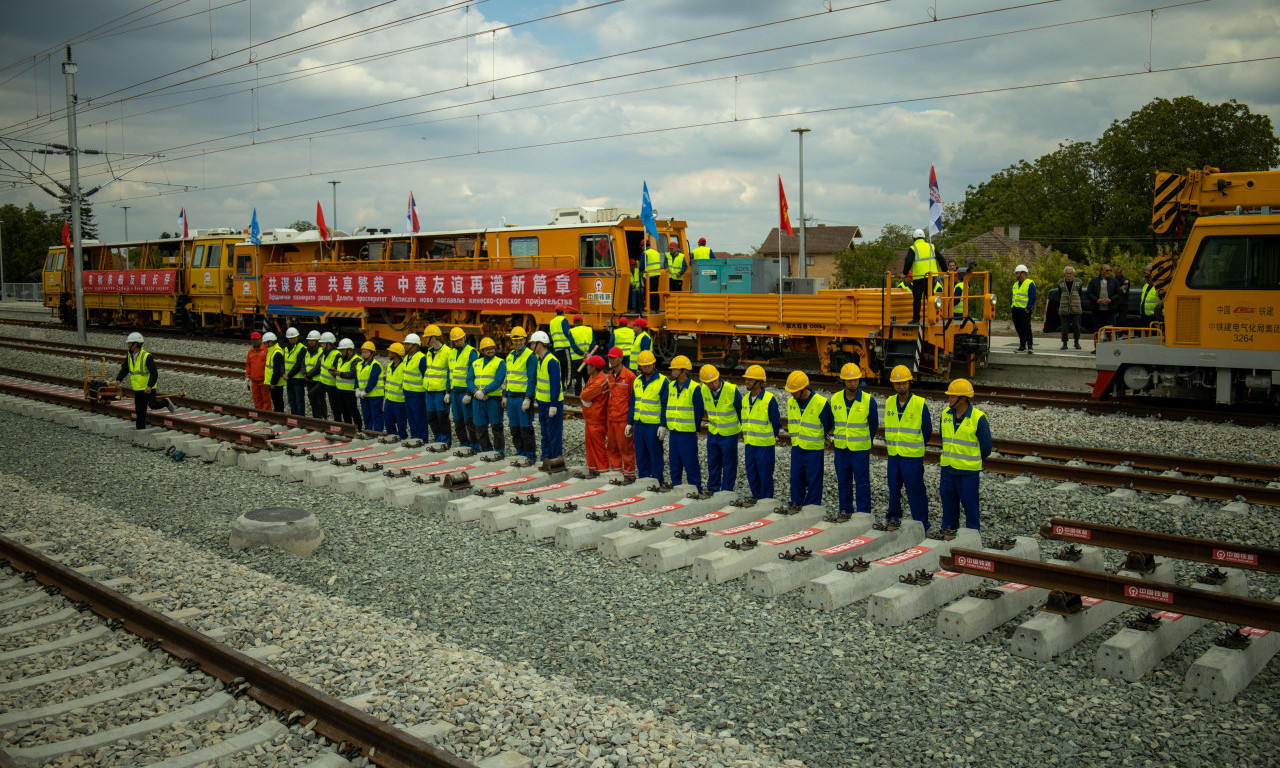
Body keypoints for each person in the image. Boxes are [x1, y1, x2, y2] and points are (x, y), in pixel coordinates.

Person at [937, 378, 991, 537]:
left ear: (963, 399)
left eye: (952, 396)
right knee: (948, 507)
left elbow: (986, 446)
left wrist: (970, 459)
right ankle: (948, 534)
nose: (949, 399)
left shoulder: (978, 418)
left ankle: (972, 539)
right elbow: (944, 439)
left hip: (968, 473)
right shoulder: (945, 415)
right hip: (948, 471)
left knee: (971, 509)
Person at [883, 365, 930, 531]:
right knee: (893, 489)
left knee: (915, 490)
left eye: (903, 383)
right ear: (893, 385)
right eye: (897, 383)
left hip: (912, 457)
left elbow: (927, 431)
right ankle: (893, 517)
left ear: (909, 383)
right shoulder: (889, 402)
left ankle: (921, 523)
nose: (900, 386)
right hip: (894, 455)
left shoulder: (919, 404)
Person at [830, 363, 877, 521]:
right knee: (843, 482)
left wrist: (863, 441)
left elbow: (873, 425)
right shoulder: (835, 399)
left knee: (862, 483)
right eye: (849, 380)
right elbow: (832, 421)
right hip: (841, 449)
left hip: (860, 450)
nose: (852, 383)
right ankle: (845, 510)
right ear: (843, 380)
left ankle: (863, 514)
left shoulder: (868, 401)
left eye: (855, 380)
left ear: (859, 380)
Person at [784, 370, 833, 509]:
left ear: (803, 389)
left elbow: (828, 424)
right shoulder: (791, 401)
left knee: (814, 479)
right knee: (796, 477)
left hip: (814, 449)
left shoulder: (820, 403)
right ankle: (796, 502)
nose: (792, 395)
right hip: (797, 446)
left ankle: (812, 507)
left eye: (794, 392)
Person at [740, 365, 782, 501]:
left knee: (765, 474)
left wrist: (770, 435)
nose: (747, 382)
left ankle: (766, 500)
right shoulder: (745, 399)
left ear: (759, 382)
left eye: (750, 380)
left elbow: (776, 423)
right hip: (750, 444)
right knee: (752, 473)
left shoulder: (769, 399)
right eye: (746, 379)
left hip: (764, 446)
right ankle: (756, 497)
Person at [115, 332, 173, 429]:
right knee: (139, 411)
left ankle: (165, 402)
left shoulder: (146, 356)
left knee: (153, 405)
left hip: (148, 388)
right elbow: (125, 369)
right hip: (137, 388)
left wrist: (149, 386)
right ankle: (140, 429)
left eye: (130, 343)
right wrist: (118, 379)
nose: (128, 345)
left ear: (136, 344)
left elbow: (154, 373)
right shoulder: (129, 356)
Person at [699, 364, 741, 495]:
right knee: (713, 462)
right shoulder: (704, 390)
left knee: (729, 464)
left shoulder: (732, 390)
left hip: (729, 434)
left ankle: (727, 490)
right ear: (705, 383)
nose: (714, 384)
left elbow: (741, 412)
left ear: (719, 377)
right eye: (710, 383)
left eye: (715, 381)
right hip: (713, 433)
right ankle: (713, 488)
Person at [626, 349, 668, 483]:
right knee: (641, 455)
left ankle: (657, 481)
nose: (645, 368)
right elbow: (633, 402)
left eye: (648, 365)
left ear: (654, 365)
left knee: (655, 455)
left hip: (653, 426)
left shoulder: (662, 381)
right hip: (639, 425)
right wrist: (629, 422)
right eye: (643, 366)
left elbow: (665, 405)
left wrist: (663, 425)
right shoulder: (637, 381)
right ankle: (644, 480)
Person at [663, 356, 703, 493]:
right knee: (675, 463)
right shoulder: (671, 386)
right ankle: (677, 487)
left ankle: (696, 489)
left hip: (687, 433)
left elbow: (698, 411)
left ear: (683, 371)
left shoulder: (694, 388)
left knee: (690, 462)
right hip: (674, 432)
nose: (672, 372)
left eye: (675, 369)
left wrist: (695, 429)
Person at [465, 337, 506, 454]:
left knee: (496, 427)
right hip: (477, 400)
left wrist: (483, 392)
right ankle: (486, 451)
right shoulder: (475, 363)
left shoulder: (500, 362)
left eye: (492, 348)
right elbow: (469, 379)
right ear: (482, 351)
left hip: (493, 400)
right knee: (479, 427)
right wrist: (474, 392)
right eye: (487, 349)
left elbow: (498, 381)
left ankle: (499, 452)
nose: (490, 351)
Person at [530, 330, 564, 466]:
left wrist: (554, 405)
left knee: (553, 434)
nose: (531, 346)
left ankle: (556, 460)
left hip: (551, 405)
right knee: (545, 433)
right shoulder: (540, 360)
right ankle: (546, 458)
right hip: (543, 404)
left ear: (540, 344)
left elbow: (555, 385)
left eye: (533, 343)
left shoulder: (551, 362)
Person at [504, 327, 538, 461]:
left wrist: (528, 398)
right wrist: (505, 395)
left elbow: (532, 379)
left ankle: (530, 455)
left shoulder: (530, 356)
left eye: (520, 340)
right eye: (515, 340)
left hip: (522, 398)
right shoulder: (510, 356)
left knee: (526, 428)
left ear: (525, 340)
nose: (518, 343)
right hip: (512, 398)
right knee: (514, 428)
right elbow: (509, 377)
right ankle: (520, 452)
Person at [604, 346, 637, 481]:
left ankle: (629, 476)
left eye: (613, 357)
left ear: (621, 358)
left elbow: (633, 400)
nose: (611, 360)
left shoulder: (629, 376)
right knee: (612, 449)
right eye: (609, 358)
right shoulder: (611, 375)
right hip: (612, 419)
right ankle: (617, 475)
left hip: (623, 419)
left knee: (626, 449)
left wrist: (630, 422)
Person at [905, 229, 945, 324]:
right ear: (924, 238)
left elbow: (908, 261)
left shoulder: (913, 248)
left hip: (919, 277)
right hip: (931, 277)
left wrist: (904, 272)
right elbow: (941, 259)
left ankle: (916, 319)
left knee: (917, 299)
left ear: (914, 238)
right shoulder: (931, 246)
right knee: (930, 298)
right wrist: (945, 270)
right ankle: (933, 318)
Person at [447, 327, 478, 449]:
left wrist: (469, 393)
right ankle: (464, 444)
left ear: (464, 338)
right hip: (455, 393)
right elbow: (450, 373)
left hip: (465, 393)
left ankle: (475, 446)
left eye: (460, 340)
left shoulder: (471, 352)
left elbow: (474, 373)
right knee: (457, 421)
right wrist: (447, 391)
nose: (458, 342)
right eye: (456, 341)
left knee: (469, 421)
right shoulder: (452, 353)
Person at [579, 355, 610, 474]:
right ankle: (593, 470)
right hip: (591, 419)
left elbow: (584, 395)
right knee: (591, 447)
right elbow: (585, 394)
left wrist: (585, 399)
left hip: (597, 420)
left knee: (598, 448)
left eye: (588, 365)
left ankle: (603, 472)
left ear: (594, 367)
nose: (586, 367)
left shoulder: (599, 381)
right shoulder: (594, 377)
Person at [423, 325, 453, 444]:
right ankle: (437, 440)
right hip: (429, 391)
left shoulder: (447, 352)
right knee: (431, 418)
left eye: (426, 337)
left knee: (442, 418)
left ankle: (445, 442)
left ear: (433, 337)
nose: (424, 339)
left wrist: (447, 392)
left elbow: (450, 373)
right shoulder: (429, 352)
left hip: (440, 392)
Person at [332, 338, 363, 430]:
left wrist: (340, 373)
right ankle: (348, 429)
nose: (341, 352)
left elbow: (353, 373)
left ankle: (359, 429)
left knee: (353, 411)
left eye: (342, 350)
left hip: (349, 391)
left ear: (349, 350)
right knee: (344, 411)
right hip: (340, 390)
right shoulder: (341, 359)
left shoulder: (356, 360)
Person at [1086, 264, 1120, 347]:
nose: (1109, 272)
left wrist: (1111, 300)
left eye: (1109, 270)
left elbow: (1118, 293)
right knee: (1098, 330)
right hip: (1098, 311)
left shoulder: (1114, 281)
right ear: (1101, 271)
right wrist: (1097, 300)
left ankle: (1111, 347)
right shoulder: (1094, 281)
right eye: (1106, 270)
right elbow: (1089, 293)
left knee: (1111, 331)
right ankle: (1098, 347)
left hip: (1110, 311)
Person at [400, 333, 427, 440]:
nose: (405, 346)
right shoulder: (407, 357)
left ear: (415, 346)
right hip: (408, 394)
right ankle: (415, 438)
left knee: (420, 419)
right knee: (411, 419)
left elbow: (425, 376)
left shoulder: (421, 358)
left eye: (408, 344)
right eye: (405, 344)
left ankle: (423, 440)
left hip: (418, 395)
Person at [357, 341, 384, 433]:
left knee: (376, 414)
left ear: (372, 353)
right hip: (364, 395)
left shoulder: (375, 365)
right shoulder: (360, 364)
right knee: (366, 414)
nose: (363, 354)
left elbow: (373, 380)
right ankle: (368, 431)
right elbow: (357, 377)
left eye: (366, 352)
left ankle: (377, 432)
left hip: (375, 395)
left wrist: (365, 391)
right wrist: (356, 388)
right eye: (362, 352)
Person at [383, 342, 408, 439]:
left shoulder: (403, 367)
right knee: (388, 422)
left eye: (390, 352)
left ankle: (403, 440)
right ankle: (393, 439)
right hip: (389, 400)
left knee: (401, 424)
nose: (388, 354)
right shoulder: (390, 366)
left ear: (396, 354)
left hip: (399, 401)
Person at [314, 332, 341, 421]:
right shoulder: (324, 353)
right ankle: (321, 417)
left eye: (322, 343)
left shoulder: (336, 354)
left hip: (332, 384)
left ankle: (338, 422)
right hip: (323, 382)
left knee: (334, 405)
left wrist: (333, 372)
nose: (321, 345)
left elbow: (338, 369)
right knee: (312, 394)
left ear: (328, 344)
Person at [1011, 264, 1037, 353]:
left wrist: (1028, 307)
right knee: (1018, 328)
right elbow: (1014, 296)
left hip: (1024, 310)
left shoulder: (1030, 283)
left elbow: (1032, 296)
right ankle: (1022, 345)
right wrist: (1012, 306)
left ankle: (1030, 345)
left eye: (1017, 273)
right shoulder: (1015, 284)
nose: (1016, 275)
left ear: (1023, 273)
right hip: (1016, 309)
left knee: (1026, 328)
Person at [1057, 267, 1085, 350]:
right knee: (1064, 328)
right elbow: (1059, 294)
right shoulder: (1060, 283)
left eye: (1070, 273)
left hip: (1075, 308)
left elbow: (1080, 293)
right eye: (1067, 273)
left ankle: (1076, 342)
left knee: (1076, 326)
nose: (1068, 275)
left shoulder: (1078, 282)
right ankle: (1064, 343)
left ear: (1073, 274)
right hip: (1064, 308)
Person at [568, 314, 596, 395]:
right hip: (588, 360)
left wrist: (582, 353)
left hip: (576, 361)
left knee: (577, 380)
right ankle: (588, 396)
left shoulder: (571, 331)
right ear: (582, 321)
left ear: (573, 322)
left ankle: (578, 397)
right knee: (588, 379)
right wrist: (587, 354)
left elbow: (573, 346)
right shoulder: (589, 330)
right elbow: (593, 344)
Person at [303, 330, 328, 419]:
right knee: (312, 400)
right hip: (309, 380)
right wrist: (305, 374)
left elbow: (318, 367)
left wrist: (308, 375)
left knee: (321, 401)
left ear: (317, 341)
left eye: (312, 340)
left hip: (318, 380)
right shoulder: (307, 351)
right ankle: (316, 417)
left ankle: (324, 417)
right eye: (309, 340)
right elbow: (303, 364)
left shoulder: (321, 351)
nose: (310, 342)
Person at [282, 327, 307, 416]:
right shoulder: (286, 349)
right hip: (289, 379)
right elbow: (283, 362)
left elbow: (299, 364)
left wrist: (288, 375)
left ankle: (300, 418)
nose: (293, 339)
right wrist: (283, 373)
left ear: (297, 337)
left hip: (297, 379)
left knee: (299, 400)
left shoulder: (302, 348)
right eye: (291, 338)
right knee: (291, 400)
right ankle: (294, 416)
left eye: (294, 338)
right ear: (288, 338)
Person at [549, 305, 573, 390]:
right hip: (564, 347)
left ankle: (561, 386)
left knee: (560, 369)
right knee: (568, 367)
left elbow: (551, 334)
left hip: (556, 348)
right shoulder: (563, 320)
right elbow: (567, 332)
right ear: (563, 311)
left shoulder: (552, 322)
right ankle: (567, 385)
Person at [262, 331, 286, 412]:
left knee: (278, 401)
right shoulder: (271, 350)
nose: (264, 345)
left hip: (276, 383)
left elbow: (277, 369)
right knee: (276, 401)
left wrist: (273, 382)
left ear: (270, 342)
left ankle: (280, 415)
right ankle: (278, 415)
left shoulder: (277, 352)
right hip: (274, 382)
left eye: (265, 343)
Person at [245, 331, 269, 410]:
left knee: (266, 400)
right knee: (257, 400)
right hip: (254, 381)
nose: (255, 341)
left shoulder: (266, 350)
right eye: (253, 340)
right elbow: (248, 364)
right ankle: (259, 415)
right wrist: (247, 376)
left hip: (264, 380)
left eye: (256, 339)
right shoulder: (250, 351)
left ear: (260, 339)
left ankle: (267, 415)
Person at [644, 238, 664, 312]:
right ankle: (657, 308)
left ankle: (651, 308)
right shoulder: (656, 253)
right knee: (655, 292)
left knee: (649, 292)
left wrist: (640, 270)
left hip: (649, 276)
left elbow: (642, 265)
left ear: (644, 246)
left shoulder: (645, 253)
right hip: (656, 275)